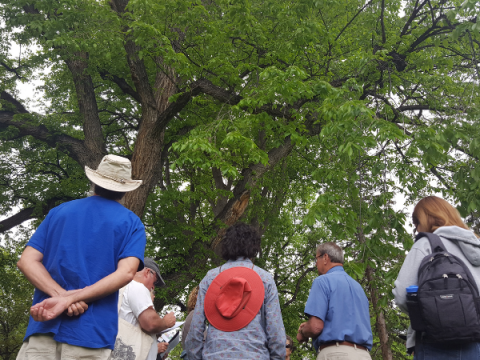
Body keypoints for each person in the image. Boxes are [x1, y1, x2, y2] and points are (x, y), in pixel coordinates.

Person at [16, 154, 147, 360]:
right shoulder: (132, 223)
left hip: (43, 325)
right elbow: (127, 273)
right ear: (124, 191)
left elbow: (26, 261)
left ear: (94, 181)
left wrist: (59, 297)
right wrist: (71, 299)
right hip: (91, 334)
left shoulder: (59, 212)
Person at [393, 196, 480, 359]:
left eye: (416, 223)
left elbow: (402, 295)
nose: (417, 229)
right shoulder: (476, 246)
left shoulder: (427, 244)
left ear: (425, 219)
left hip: (436, 344)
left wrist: (427, 313)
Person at [185, 223, 286, 359]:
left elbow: (196, 328)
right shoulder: (265, 279)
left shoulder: (210, 278)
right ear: (254, 247)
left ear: (226, 245)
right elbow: (276, 331)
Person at [297, 242, 373, 360]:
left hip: (336, 354)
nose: (316, 263)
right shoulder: (359, 288)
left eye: (316, 258)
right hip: (364, 355)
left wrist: (303, 331)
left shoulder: (322, 281)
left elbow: (315, 327)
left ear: (325, 258)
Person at [110, 257, 176, 360]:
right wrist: (166, 322)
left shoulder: (121, 288)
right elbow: (150, 323)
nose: (153, 287)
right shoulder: (138, 287)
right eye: (154, 282)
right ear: (148, 272)